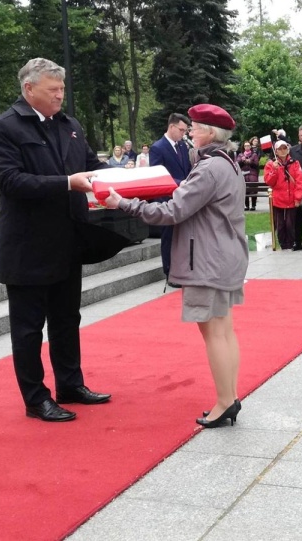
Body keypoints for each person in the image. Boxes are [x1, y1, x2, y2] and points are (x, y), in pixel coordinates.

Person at [105, 104, 247, 429]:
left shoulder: (210, 168)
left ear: (210, 133)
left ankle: (225, 401)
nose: (190, 133)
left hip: (208, 261)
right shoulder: (227, 163)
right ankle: (230, 396)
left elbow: (172, 211)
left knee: (213, 332)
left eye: (195, 128)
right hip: (223, 257)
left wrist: (124, 203)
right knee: (223, 330)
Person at [0, 57, 111, 422]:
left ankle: (70, 384)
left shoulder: (69, 125)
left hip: (67, 240)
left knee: (66, 319)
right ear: (29, 89)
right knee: (27, 330)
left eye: (62, 89)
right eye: (53, 90)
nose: (60, 96)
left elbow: (89, 165)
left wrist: (124, 175)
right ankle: (35, 397)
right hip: (26, 246)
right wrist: (66, 183)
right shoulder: (4, 127)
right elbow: (10, 181)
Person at [150, 113, 192, 286]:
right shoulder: (158, 147)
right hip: (167, 199)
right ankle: (169, 272)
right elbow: (157, 173)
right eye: (181, 130)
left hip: (183, 197)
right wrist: (178, 183)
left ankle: (183, 270)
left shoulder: (182, 146)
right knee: (169, 236)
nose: (184, 133)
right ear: (172, 127)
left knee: (183, 235)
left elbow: (187, 169)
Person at [264, 140, 302, 250]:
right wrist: (274, 170)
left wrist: (298, 198)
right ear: (276, 151)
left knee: (290, 224)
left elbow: (300, 181)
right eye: (280, 149)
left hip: (291, 198)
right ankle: (283, 244)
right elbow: (269, 182)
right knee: (280, 225)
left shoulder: (295, 163)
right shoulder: (270, 164)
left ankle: (291, 243)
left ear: (288, 149)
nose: (282, 151)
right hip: (278, 199)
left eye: (284, 148)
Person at [236, 140, 260, 211]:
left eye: (248, 145)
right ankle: (247, 205)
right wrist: (242, 161)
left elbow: (256, 165)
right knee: (244, 190)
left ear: (250, 146)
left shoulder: (254, 155)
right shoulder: (240, 155)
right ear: (243, 147)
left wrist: (250, 162)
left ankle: (253, 205)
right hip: (244, 175)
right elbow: (238, 165)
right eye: (245, 146)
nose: (247, 147)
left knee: (253, 189)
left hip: (252, 175)